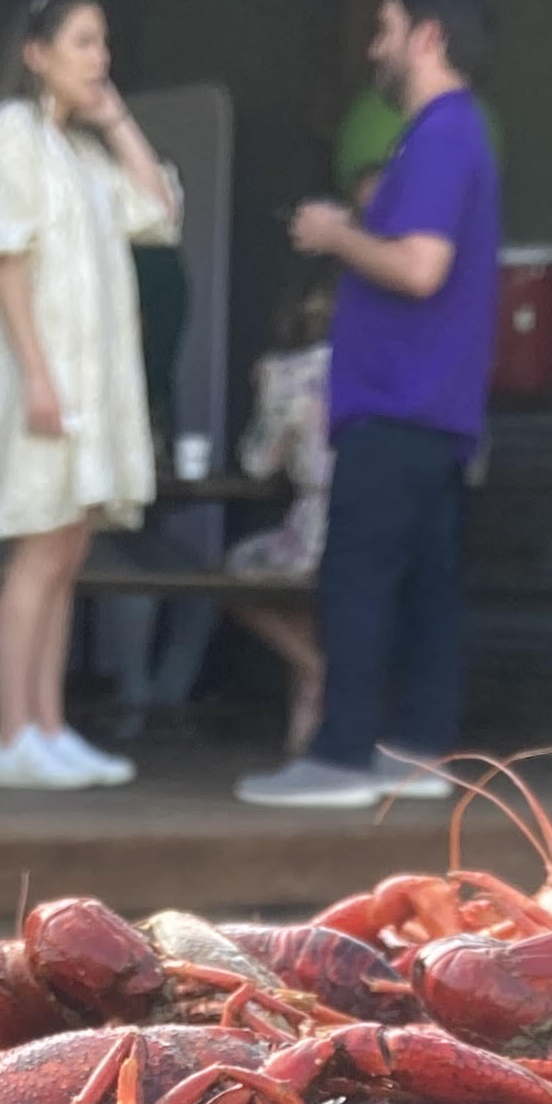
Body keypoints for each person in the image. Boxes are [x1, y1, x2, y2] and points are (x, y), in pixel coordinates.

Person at [238, 0, 496, 812]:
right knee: (427, 588)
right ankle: (417, 755)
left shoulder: (440, 135)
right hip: (433, 407)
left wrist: (335, 234)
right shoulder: (458, 134)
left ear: (425, 36)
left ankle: (344, 754)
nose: (372, 49)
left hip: (397, 401)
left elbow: (420, 266)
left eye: (383, 32)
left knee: (357, 577)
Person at [0, 0, 176, 792]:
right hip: (39, 380)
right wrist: (38, 375)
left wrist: (114, 119)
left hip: (87, 382)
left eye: (103, 42)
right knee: (40, 548)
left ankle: (47, 724)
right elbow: (0, 259)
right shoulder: (7, 138)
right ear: (36, 53)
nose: (98, 57)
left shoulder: (77, 151)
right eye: (83, 42)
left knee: (68, 549)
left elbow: (159, 210)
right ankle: (11, 732)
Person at [224, 272, 334, 758]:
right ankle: (306, 722)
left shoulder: (285, 373)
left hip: (314, 525)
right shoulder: (376, 365)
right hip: (367, 523)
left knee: (233, 574)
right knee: (301, 599)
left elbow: (257, 462)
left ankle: (311, 667)